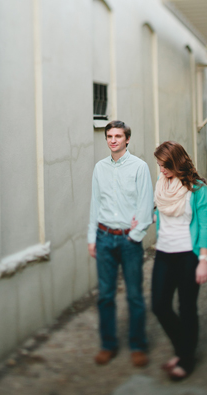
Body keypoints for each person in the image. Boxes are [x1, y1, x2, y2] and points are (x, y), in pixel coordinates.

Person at [87, 120, 154, 367]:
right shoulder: (99, 168)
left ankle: (137, 346)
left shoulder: (140, 167)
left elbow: (146, 206)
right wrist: (91, 238)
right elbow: (95, 204)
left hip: (128, 239)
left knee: (134, 295)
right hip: (104, 237)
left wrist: (134, 236)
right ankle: (108, 345)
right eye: (109, 136)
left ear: (127, 139)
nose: (113, 140)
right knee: (105, 295)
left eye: (118, 136)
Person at [151, 141, 207, 380]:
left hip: (189, 255)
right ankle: (183, 348)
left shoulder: (198, 190)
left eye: (165, 165)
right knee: (159, 305)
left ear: (177, 162)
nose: (162, 170)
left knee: (187, 308)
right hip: (164, 253)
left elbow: (204, 226)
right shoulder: (161, 184)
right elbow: (160, 211)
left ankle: (185, 359)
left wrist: (204, 259)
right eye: (159, 165)